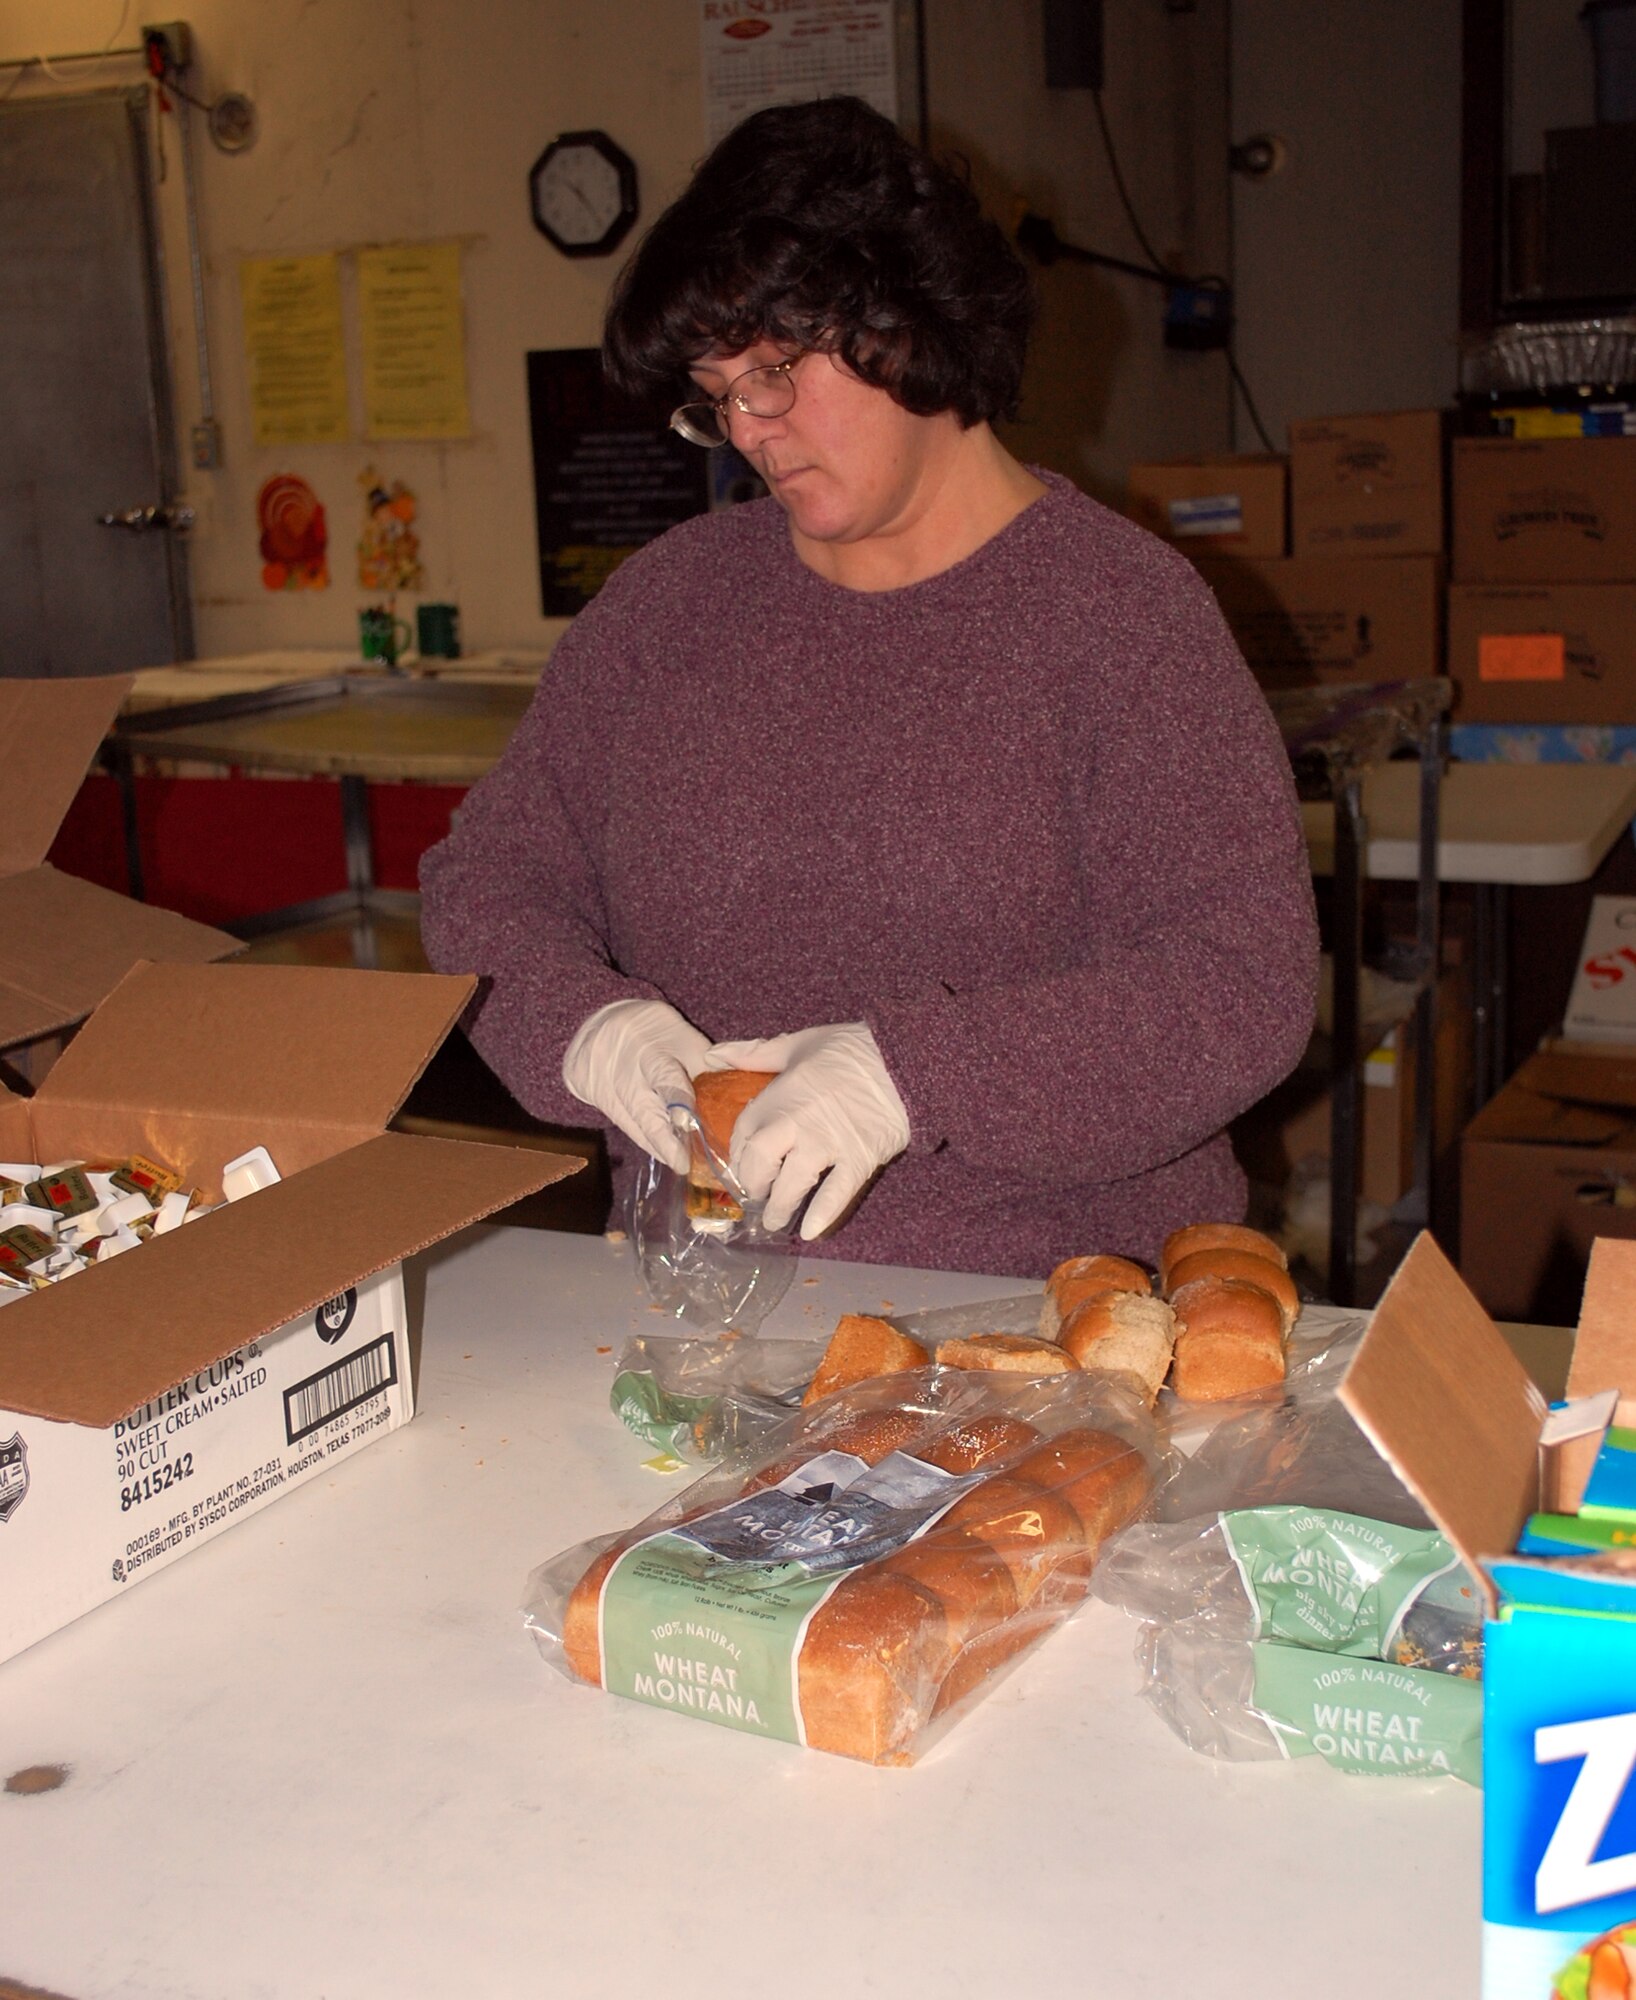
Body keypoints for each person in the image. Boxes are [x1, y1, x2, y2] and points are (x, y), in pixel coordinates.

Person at [419, 95, 1318, 1278]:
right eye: (716, 391)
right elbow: (487, 883)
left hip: (1045, 1319)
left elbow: (1237, 983)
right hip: (699, 1308)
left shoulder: (1117, 616)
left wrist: (912, 1076)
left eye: (778, 368)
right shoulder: (666, 606)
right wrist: (591, 1028)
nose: (752, 425)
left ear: (913, 313)